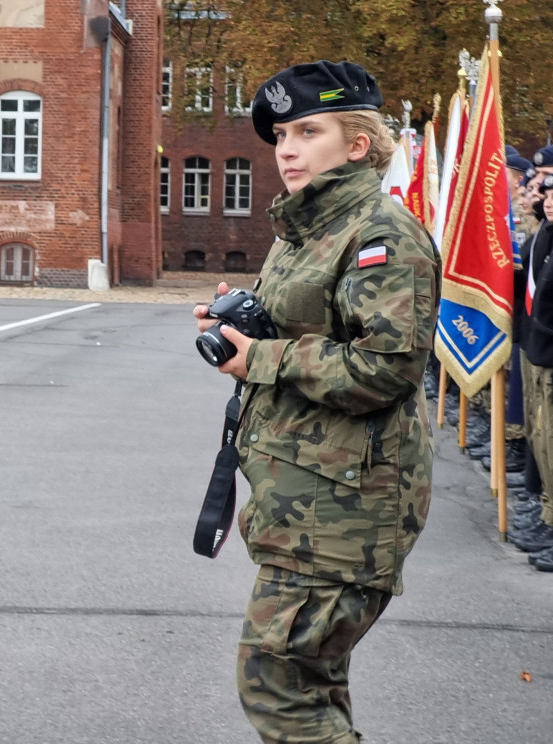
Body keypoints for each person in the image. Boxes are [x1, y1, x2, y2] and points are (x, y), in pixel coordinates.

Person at [194, 61, 440, 743]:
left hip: (348, 507)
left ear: (357, 144)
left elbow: (385, 367)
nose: (289, 149)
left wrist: (261, 357)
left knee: (277, 684)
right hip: (307, 495)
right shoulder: (308, 230)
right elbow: (313, 329)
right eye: (280, 136)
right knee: (310, 685)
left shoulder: (379, 235)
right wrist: (243, 325)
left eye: (309, 130)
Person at [509, 173, 553, 572]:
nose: (544, 197)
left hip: (547, 347)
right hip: (538, 346)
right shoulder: (546, 236)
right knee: (542, 437)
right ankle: (546, 514)